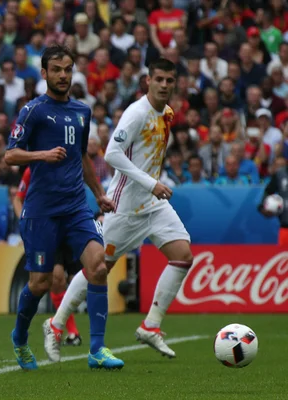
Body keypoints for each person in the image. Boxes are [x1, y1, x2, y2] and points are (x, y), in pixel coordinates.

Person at [42, 58, 193, 363]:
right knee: (99, 268)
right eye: (159, 79)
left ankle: (151, 325)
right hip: (125, 206)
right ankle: (56, 324)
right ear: (148, 80)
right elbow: (111, 154)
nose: (165, 85)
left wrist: (152, 187)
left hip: (152, 204)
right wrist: (151, 183)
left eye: (169, 80)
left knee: (183, 256)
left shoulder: (167, 113)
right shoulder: (137, 113)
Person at [4, 44, 123, 371]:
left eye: (68, 69)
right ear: (44, 73)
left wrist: (98, 192)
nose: (62, 75)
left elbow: (82, 157)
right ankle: (19, 336)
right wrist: (41, 155)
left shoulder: (82, 111)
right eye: (56, 69)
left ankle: (97, 349)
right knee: (40, 283)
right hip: (41, 211)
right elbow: (9, 155)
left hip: (75, 208)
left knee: (99, 266)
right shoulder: (33, 111)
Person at [13, 167, 83, 346]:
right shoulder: (32, 170)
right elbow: (17, 198)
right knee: (55, 278)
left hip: (68, 225)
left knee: (77, 280)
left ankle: (60, 326)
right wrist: (24, 222)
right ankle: (69, 331)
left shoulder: (70, 165)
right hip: (47, 228)